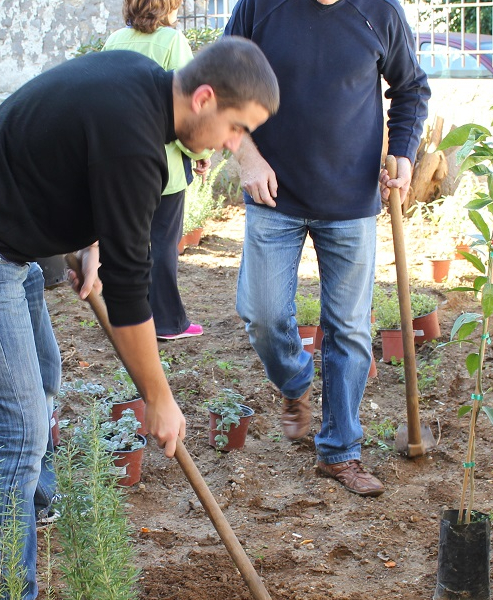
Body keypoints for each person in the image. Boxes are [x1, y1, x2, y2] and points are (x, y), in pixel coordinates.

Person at [0, 37, 279, 600]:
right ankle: (7, 589)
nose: (233, 145)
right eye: (236, 128)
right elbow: (131, 295)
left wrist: (87, 244)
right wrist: (158, 396)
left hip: (8, 242)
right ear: (205, 97)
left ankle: (36, 497)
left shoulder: (139, 79)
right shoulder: (136, 146)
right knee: (18, 431)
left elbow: (73, 162)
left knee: (47, 375)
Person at [224, 0, 430, 497]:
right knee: (264, 314)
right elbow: (219, 85)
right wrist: (246, 156)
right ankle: (296, 384)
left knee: (350, 329)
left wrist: (402, 152)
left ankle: (340, 451)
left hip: (351, 199)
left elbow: (410, 89)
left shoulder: (379, 11)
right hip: (273, 195)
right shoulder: (260, 5)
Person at [103, 0, 212, 341]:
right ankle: (168, 324)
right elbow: (187, 109)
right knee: (163, 243)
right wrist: (201, 151)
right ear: (168, 7)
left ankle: (124, 322)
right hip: (162, 166)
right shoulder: (172, 41)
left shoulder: (115, 41)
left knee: (127, 245)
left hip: (118, 164)